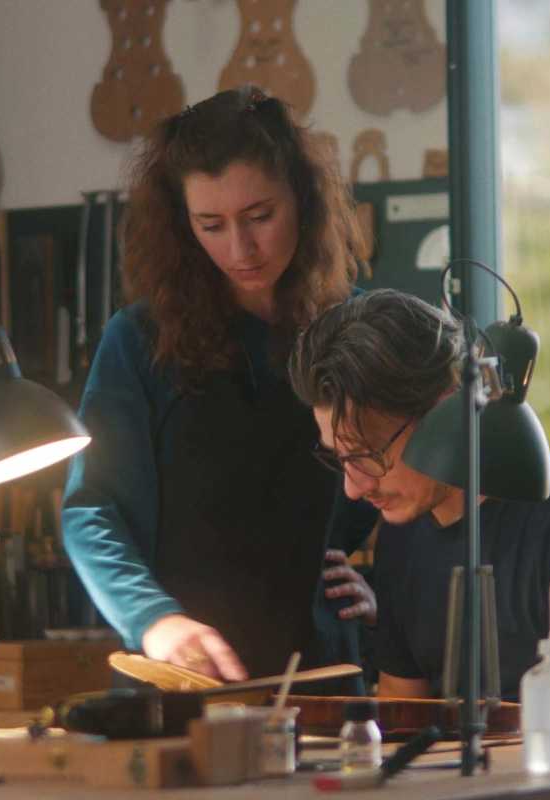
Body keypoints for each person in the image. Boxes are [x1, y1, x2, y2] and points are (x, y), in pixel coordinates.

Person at [61, 85, 372, 682]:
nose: (241, 248)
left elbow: (424, 493)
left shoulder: (360, 328)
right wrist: (152, 619)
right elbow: (90, 509)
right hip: (182, 684)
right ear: (183, 225)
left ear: (302, 201)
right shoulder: (138, 341)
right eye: (211, 224)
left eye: (260, 217)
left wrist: (383, 586)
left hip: (323, 681)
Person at [288, 288, 550, 701]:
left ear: (446, 408)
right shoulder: (401, 534)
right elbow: (404, 710)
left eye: (368, 456)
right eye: (340, 459)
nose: (353, 489)